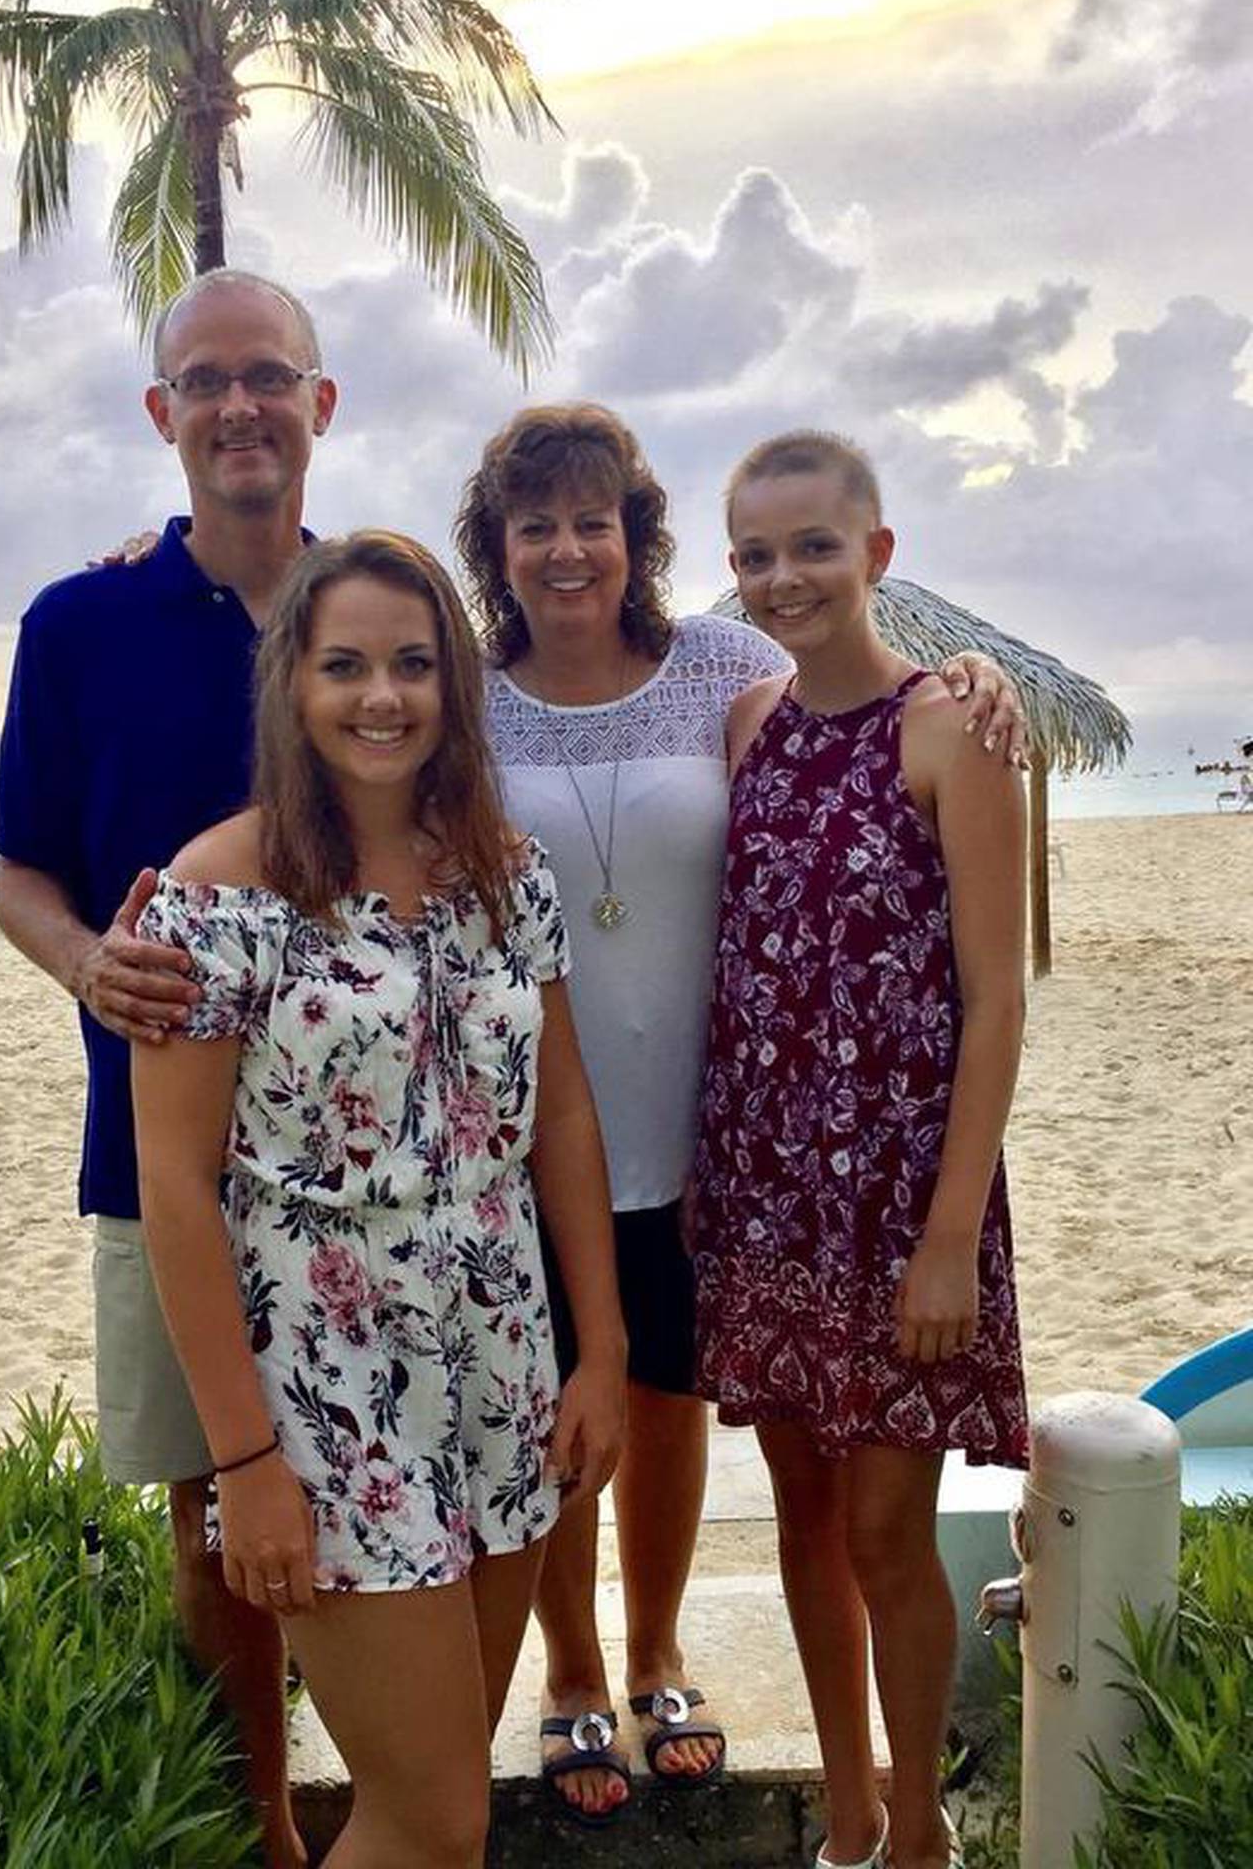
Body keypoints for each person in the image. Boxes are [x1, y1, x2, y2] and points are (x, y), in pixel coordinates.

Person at [452, 404, 1028, 1824]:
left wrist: (978, 670)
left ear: (641, 539)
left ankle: (661, 1662)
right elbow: (338, 755)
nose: (570, 548)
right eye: (538, 524)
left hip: (757, 1158)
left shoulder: (727, 668)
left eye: (597, 520)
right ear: (500, 548)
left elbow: (870, 709)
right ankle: (575, 1677)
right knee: (565, 1421)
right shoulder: (465, 694)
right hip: (570, 1141)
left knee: (669, 1414)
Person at [130, 531, 625, 1869]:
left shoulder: (505, 872)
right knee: (430, 1823)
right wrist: (245, 1465)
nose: (381, 696)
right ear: (292, 684)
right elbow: (175, 1189)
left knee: (447, 1794)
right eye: (344, 664)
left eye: (412, 664)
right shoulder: (215, 896)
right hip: (328, 1400)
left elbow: (563, 1116)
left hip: (507, 1364)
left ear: (452, 687)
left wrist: (605, 1350)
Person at [0, 268, 336, 1867]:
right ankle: (264, 1827)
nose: (240, 405)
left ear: (321, 404)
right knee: (211, 1507)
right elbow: (21, 872)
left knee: (402, 1475)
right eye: (206, 381)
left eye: (270, 375)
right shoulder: (77, 623)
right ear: (163, 415)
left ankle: (412, 1793)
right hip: (161, 1156)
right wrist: (82, 960)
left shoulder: (385, 613)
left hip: (377, 1159)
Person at [691, 432, 1030, 1869]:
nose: (785, 578)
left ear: (876, 555)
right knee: (806, 1526)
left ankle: (921, 1838)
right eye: (757, 555)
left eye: (815, 547)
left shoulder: (950, 726)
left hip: (902, 1203)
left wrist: (952, 1233)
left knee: (890, 1536)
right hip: (765, 1192)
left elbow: (998, 996)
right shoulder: (745, 721)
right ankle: (846, 1818)